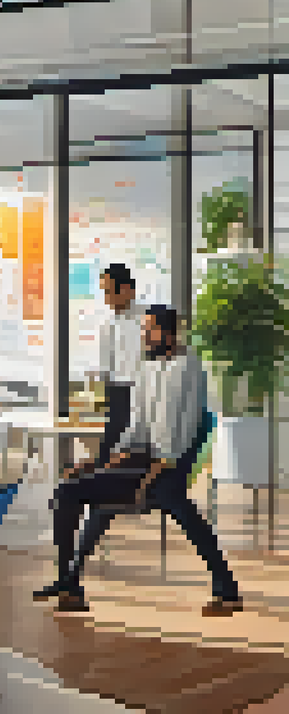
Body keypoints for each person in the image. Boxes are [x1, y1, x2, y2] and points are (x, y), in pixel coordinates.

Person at [34, 305, 243, 616]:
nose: (144, 335)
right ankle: (69, 582)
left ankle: (69, 583)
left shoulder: (189, 368)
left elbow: (184, 428)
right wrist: (105, 460)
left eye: (151, 330)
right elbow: (137, 423)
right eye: (144, 329)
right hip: (143, 462)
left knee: (172, 510)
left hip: (167, 466)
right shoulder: (147, 368)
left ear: (170, 334)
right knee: (75, 491)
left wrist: (152, 471)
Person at [90, 263, 145, 468]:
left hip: (143, 394)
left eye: (110, 291)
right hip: (117, 395)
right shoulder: (107, 326)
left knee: (135, 455)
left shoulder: (148, 320)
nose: (107, 298)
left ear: (127, 290)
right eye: (104, 292)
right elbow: (105, 370)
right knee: (108, 455)